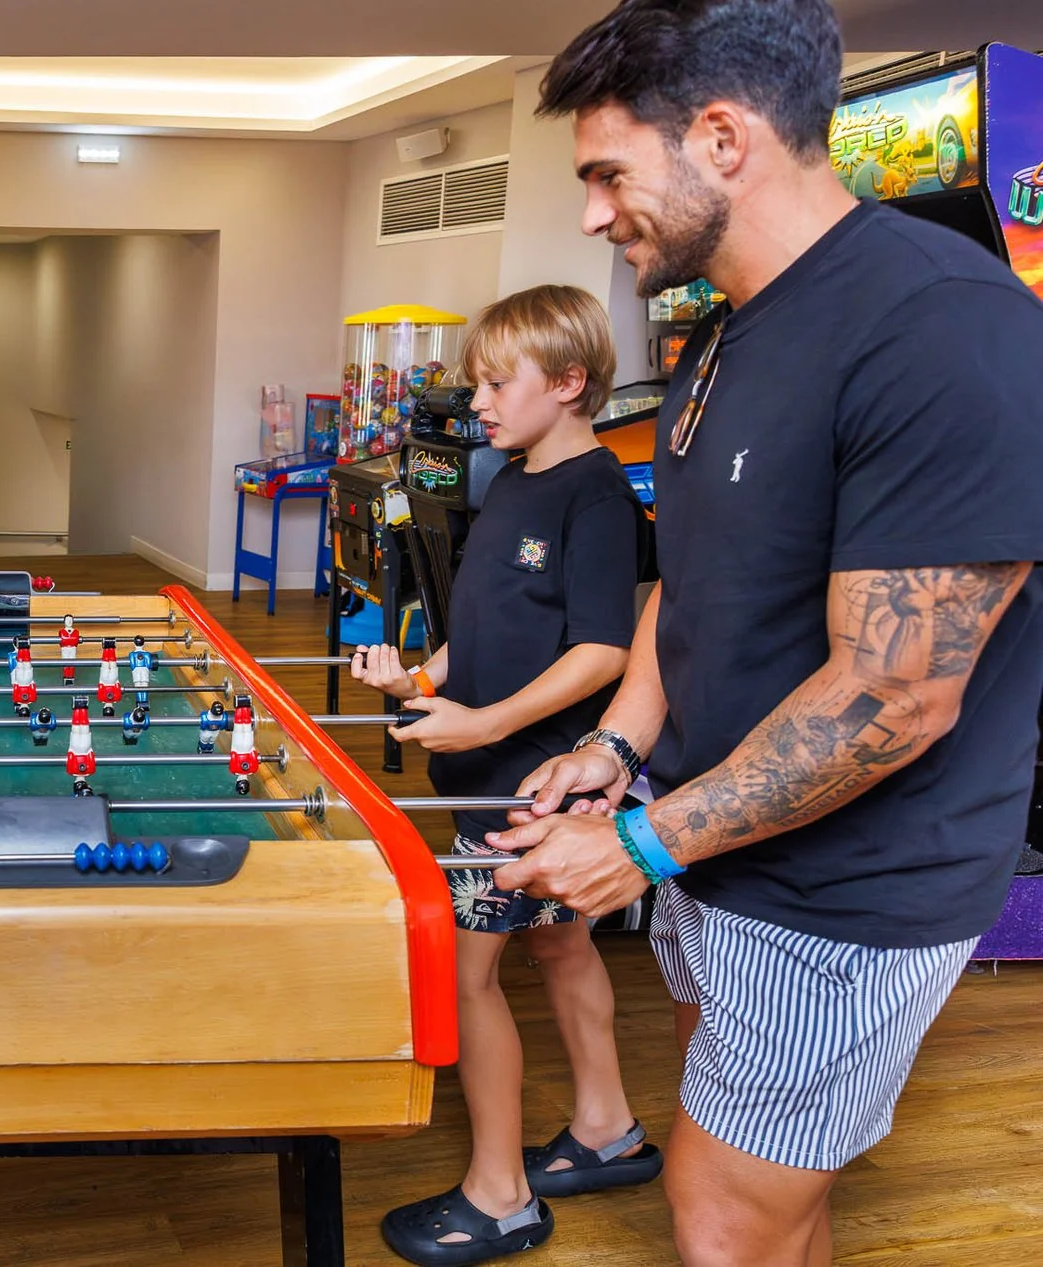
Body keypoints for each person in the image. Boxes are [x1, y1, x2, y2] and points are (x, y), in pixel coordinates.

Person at [488, 3, 1043, 1264]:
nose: (591, 214)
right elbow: (689, 579)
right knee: (758, 1176)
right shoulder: (723, 332)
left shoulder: (940, 328)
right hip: (722, 846)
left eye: (606, 174)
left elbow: (892, 695)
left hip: (850, 888)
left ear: (723, 139)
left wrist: (637, 844)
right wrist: (619, 749)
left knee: (723, 1208)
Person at [352, 285, 657, 1266]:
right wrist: (422, 674)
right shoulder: (509, 477)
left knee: (467, 971)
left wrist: (482, 720)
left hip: (534, 786)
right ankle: (607, 1128)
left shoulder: (597, 495)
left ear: (568, 383)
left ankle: (501, 1195)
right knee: (562, 950)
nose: (475, 399)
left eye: (495, 380)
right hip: (491, 772)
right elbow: (484, 623)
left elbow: (603, 650)